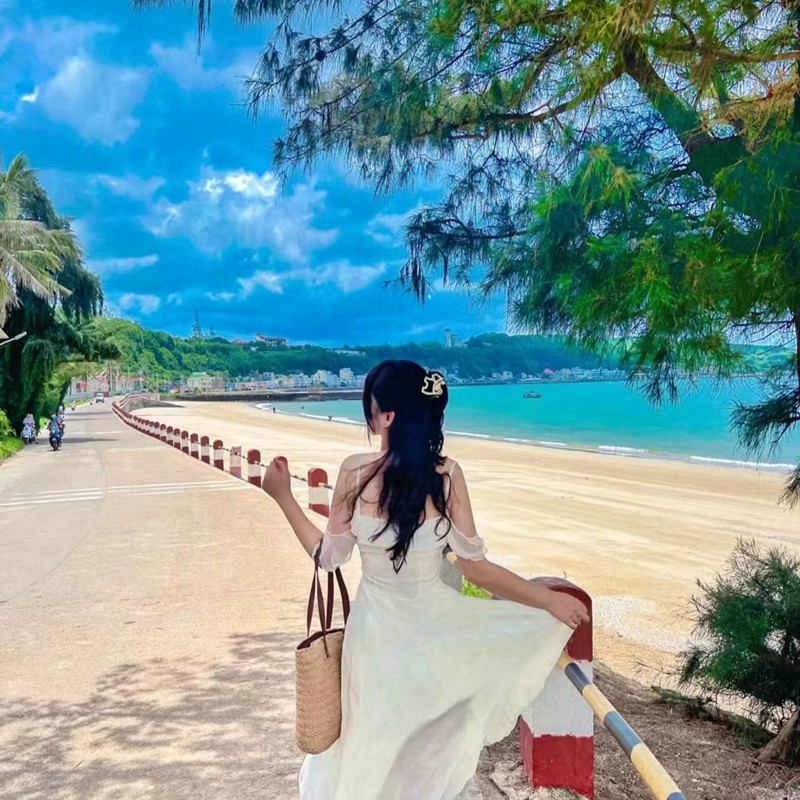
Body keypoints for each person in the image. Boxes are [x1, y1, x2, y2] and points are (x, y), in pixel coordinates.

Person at [261, 360, 590, 800]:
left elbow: (329, 557)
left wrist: (282, 497)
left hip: (374, 639)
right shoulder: (446, 475)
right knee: (424, 749)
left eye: (370, 406)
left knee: (372, 741)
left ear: (388, 416)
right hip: (434, 633)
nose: (368, 416)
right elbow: (476, 568)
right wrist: (546, 601)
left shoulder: (355, 472)